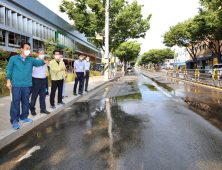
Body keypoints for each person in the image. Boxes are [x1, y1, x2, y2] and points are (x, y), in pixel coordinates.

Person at [6, 42, 49, 130]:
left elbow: (38, 62)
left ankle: (24, 117)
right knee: (15, 102)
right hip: (16, 85)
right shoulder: (14, 58)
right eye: (26, 48)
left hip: (27, 85)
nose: (28, 50)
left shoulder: (30, 60)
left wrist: (44, 61)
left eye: (29, 48)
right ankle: (14, 120)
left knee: (25, 101)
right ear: (21, 49)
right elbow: (9, 70)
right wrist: (8, 82)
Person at [29, 49, 50, 116]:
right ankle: (32, 109)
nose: (42, 55)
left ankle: (43, 109)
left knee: (43, 96)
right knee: (34, 96)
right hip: (36, 81)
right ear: (37, 54)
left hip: (43, 80)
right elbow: (31, 71)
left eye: (43, 53)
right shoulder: (34, 61)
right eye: (40, 53)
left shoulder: (44, 61)